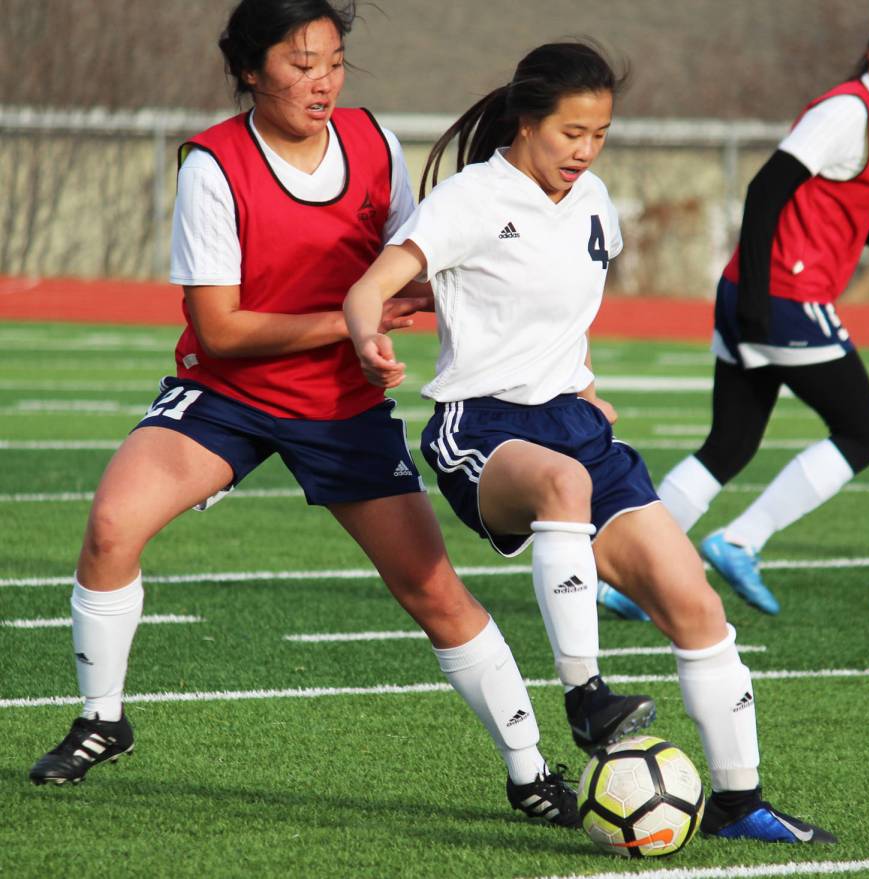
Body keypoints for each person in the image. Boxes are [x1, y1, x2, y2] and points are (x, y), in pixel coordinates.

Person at [28, 0, 586, 828]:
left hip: (338, 405)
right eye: (300, 64)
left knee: (432, 589)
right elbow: (220, 328)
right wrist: (351, 320)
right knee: (112, 525)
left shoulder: (373, 144)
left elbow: (413, 268)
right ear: (251, 70)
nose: (321, 82)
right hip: (228, 394)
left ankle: (531, 770)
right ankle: (103, 718)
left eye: (332, 62)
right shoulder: (213, 165)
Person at [343, 40, 836, 844]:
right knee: (562, 487)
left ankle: (741, 803)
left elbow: (556, 306)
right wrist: (369, 340)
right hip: (483, 426)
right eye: (571, 131)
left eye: (599, 133)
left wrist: (581, 376)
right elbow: (369, 287)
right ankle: (585, 696)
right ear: (527, 121)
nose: (585, 149)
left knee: (698, 609)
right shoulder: (472, 197)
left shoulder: (596, 199)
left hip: (573, 426)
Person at [597, 4, 869, 619]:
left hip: (759, 294)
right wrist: (758, 297)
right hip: (781, 296)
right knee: (863, 433)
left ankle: (625, 579)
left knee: (729, 445)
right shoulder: (847, 111)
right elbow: (765, 188)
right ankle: (739, 540)